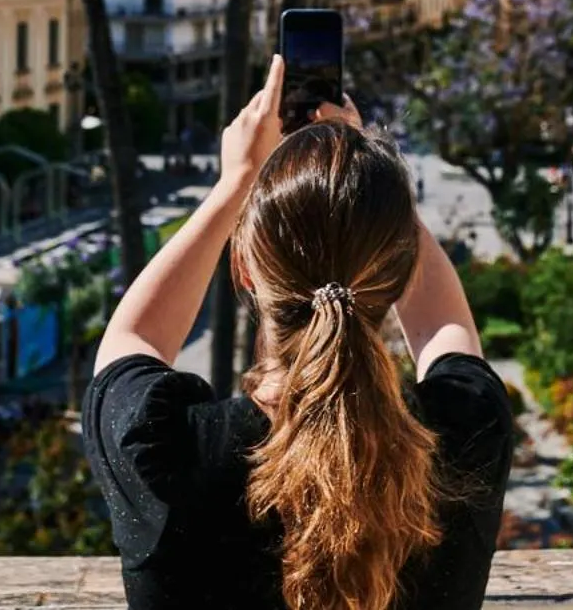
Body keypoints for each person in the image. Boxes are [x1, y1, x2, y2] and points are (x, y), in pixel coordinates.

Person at [84, 55, 514, 610]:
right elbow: (446, 326)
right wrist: (361, 172)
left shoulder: (162, 449)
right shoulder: (463, 437)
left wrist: (234, 183)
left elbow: (131, 339)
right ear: (399, 274)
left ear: (243, 269)